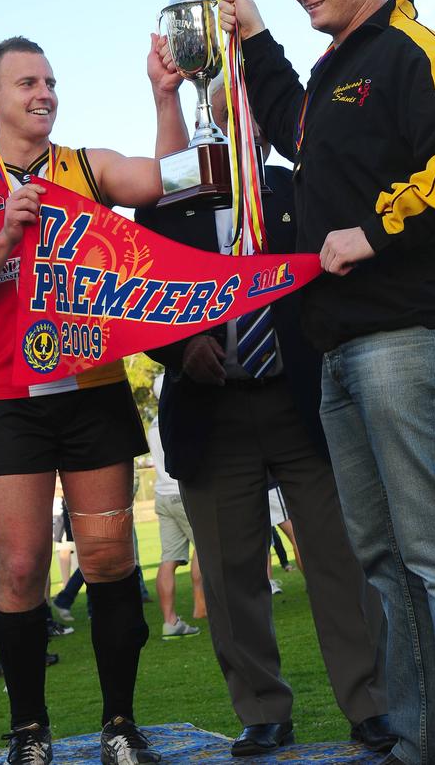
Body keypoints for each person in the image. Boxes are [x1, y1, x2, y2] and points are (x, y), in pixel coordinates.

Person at [216, 0, 435, 763]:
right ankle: (420, 742)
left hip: (412, 330)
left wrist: (378, 230)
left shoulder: (415, 48)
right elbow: (295, 131)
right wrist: (254, 37)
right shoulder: (330, 74)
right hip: (342, 345)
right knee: (383, 560)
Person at [0, 35, 174, 765]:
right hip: (10, 400)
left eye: (51, 81)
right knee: (24, 566)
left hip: (93, 389)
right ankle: (30, 731)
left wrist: (164, 95)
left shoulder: (87, 168)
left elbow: (166, 181)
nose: (44, 92)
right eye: (27, 82)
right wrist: (3, 235)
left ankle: (120, 724)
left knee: (105, 554)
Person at [136, 58, 393, 757]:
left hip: (302, 402)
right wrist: (182, 348)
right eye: (222, 116)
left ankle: (371, 704)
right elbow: (139, 303)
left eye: (247, 115)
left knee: (339, 558)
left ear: (263, 128)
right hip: (211, 413)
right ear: (207, 127)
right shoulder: (165, 209)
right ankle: (262, 709)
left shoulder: (301, 191)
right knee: (228, 571)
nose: (235, 127)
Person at [149, 375, 204, 640]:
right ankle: (201, 607)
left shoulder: (152, 424)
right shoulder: (177, 416)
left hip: (161, 494)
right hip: (180, 492)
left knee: (168, 560)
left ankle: (170, 621)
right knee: (205, 549)